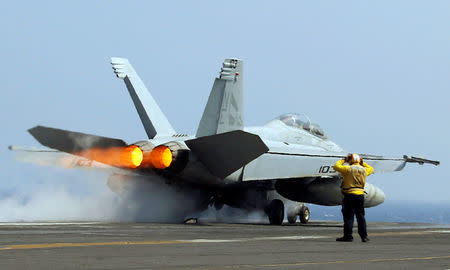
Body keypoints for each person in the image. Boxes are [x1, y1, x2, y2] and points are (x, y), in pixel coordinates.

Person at [333, 153, 374, 242]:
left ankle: (348, 236)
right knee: (361, 216)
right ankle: (364, 237)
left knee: (348, 217)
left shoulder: (347, 169)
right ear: (359, 160)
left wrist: (344, 160)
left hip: (349, 195)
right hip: (360, 195)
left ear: (350, 160)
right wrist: (362, 163)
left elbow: (336, 166)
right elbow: (371, 169)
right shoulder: (364, 170)